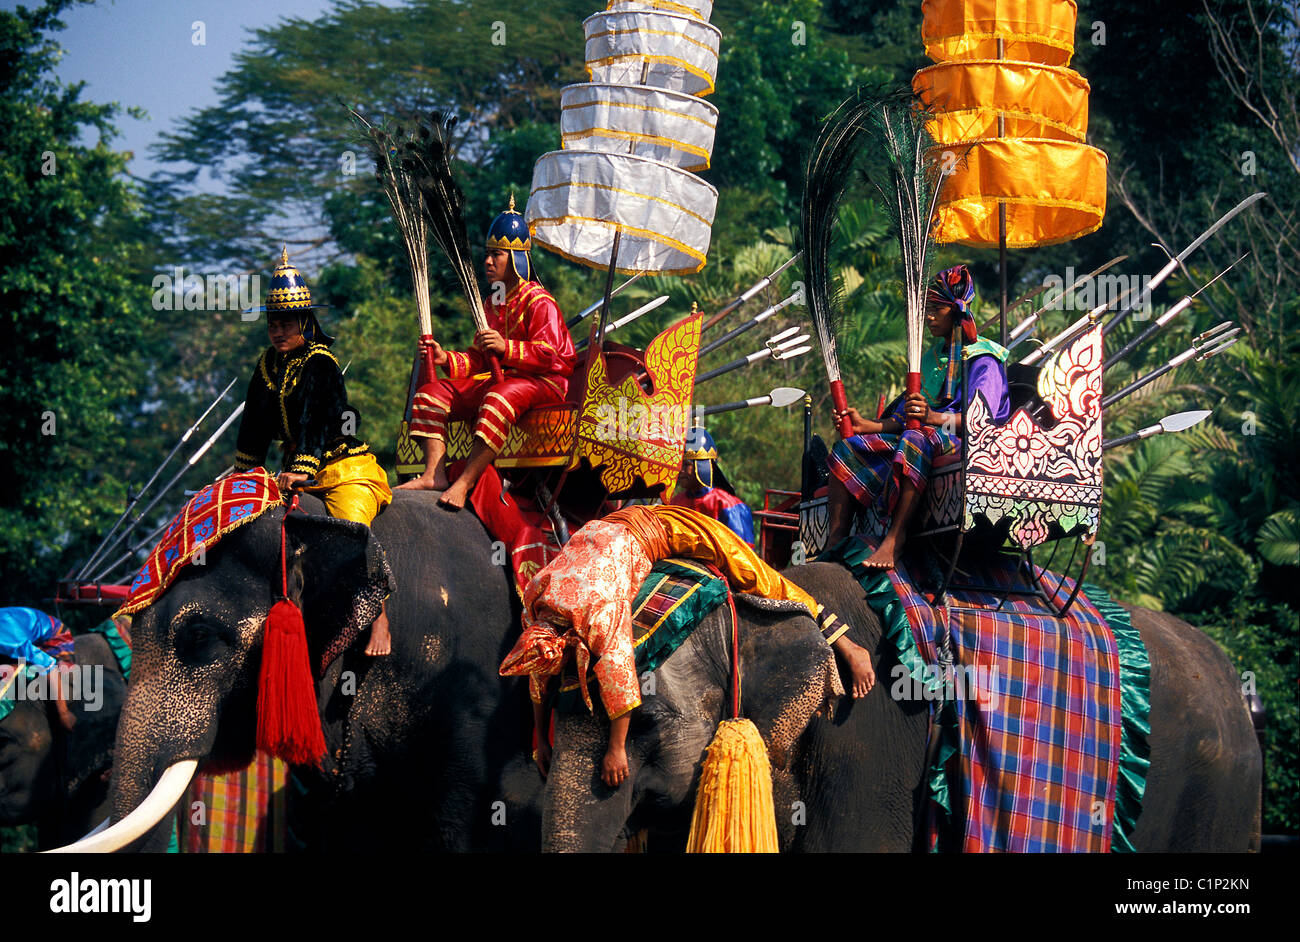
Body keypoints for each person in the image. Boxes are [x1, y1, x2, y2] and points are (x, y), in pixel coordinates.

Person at [499, 505, 877, 788]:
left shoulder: (599, 609)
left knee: (757, 576)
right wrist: (539, 741)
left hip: (661, 527)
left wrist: (616, 750)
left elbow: (622, 681)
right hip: (605, 533)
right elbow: (539, 678)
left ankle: (844, 643)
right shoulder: (537, 597)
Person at [236, 247, 394, 654]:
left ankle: (380, 620)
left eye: (285, 322)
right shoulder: (266, 365)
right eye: (272, 323)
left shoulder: (320, 363)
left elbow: (317, 423)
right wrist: (244, 476)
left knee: (351, 531)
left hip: (343, 468)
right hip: (294, 470)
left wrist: (303, 469)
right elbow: (253, 426)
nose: (277, 330)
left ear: (305, 321)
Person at [825, 265, 1010, 570]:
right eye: (927, 309)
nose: (929, 317)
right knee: (846, 449)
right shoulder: (932, 356)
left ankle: (895, 540)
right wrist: (866, 426)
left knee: (916, 438)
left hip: (972, 443)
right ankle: (836, 542)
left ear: (955, 311)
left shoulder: (984, 360)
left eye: (936, 309)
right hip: (927, 435)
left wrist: (934, 417)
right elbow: (908, 416)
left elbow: (981, 422)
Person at [397, 196, 576, 509]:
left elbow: (551, 355)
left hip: (544, 384)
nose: (488, 263)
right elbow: (479, 359)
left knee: (497, 399)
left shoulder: (539, 302)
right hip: (504, 380)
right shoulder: (492, 303)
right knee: (430, 394)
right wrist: (444, 358)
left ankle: (465, 483)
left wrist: (507, 348)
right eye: (487, 255)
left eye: (496, 255)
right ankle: (433, 474)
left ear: (517, 258)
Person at [668, 425, 756, 544]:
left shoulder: (727, 505)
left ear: (701, 465)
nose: (681, 470)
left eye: (686, 464)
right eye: (680, 465)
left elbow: (742, 555)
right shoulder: (675, 503)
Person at [0, 606, 78, 730]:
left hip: (53, 638)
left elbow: (49, 666)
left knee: (17, 675)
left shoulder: (10, 641)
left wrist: (63, 713)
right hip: (19, 635)